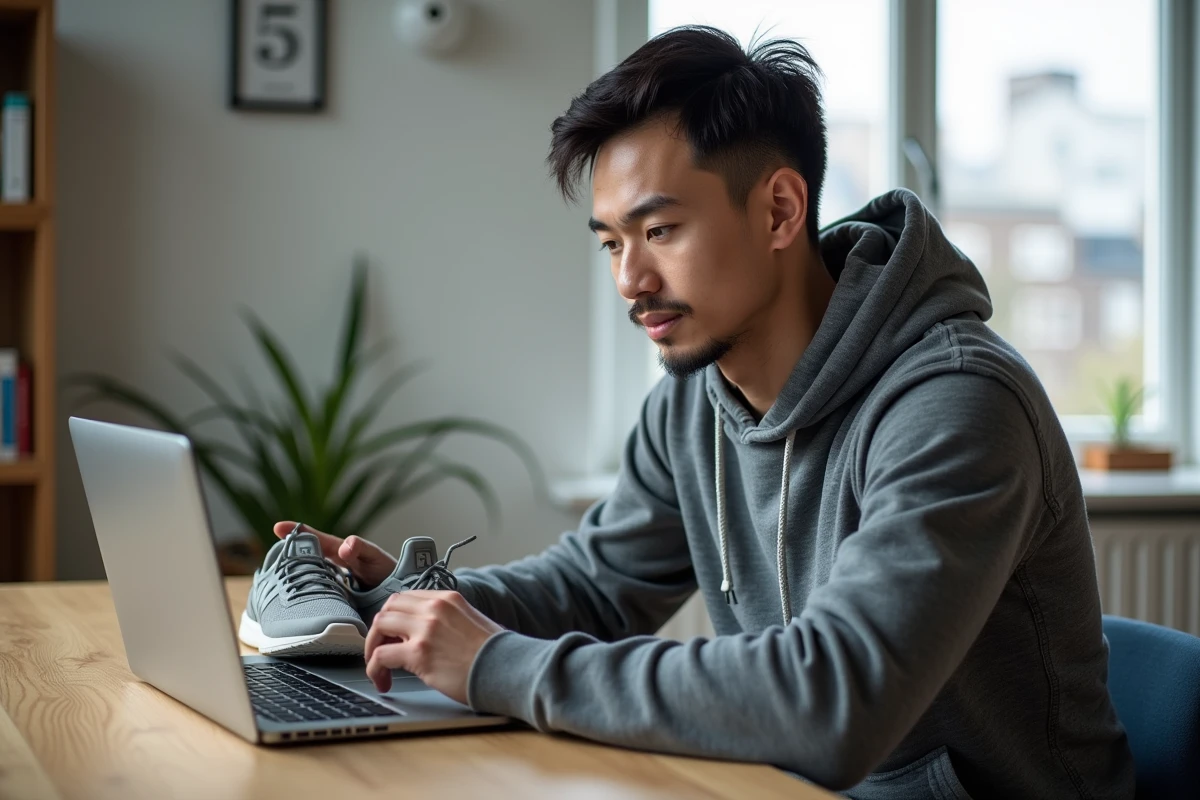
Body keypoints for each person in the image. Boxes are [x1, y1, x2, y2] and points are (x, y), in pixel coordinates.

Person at [275, 26, 1135, 799]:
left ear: (779, 210)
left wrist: (496, 663)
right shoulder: (692, 401)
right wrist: (412, 599)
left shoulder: (956, 404)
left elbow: (833, 703)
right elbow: (594, 590)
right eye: (613, 241)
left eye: (660, 232)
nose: (629, 281)